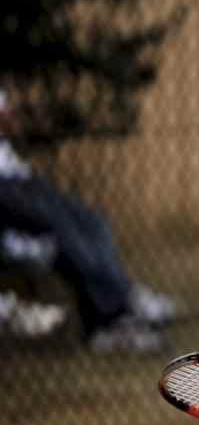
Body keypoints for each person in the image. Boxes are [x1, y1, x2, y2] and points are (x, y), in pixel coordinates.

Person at [0, 89, 176, 353]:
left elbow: (9, 121)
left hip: (17, 177)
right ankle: (113, 314)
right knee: (61, 230)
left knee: (92, 222)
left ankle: (120, 297)